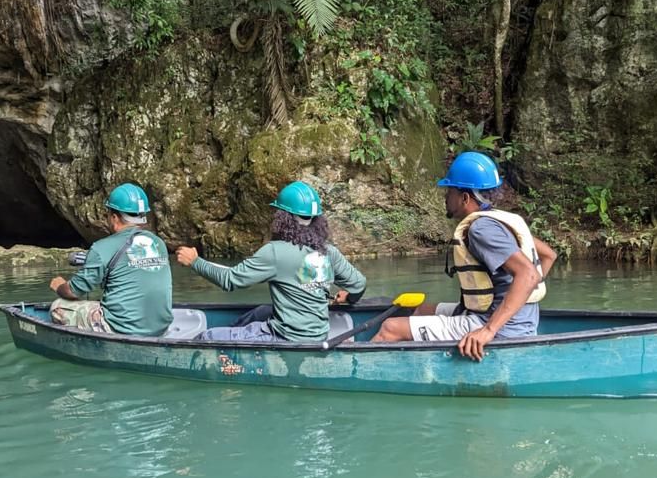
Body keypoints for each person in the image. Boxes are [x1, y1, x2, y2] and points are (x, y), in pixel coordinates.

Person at [372, 151, 556, 360]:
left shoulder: (481, 229)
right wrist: (522, 305)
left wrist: (489, 330)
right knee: (422, 309)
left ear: (464, 197)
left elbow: (529, 275)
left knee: (391, 327)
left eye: (449, 190)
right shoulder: (499, 220)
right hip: (515, 321)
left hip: (498, 327)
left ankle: (363, 374)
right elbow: (549, 255)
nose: (445, 196)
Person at [175, 181, 366, 342]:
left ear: (283, 217)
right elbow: (358, 284)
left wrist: (195, 262)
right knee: (261, 312)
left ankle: (228, 342)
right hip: (319, 335)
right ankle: (235, 335)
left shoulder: (275, 252)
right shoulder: (329, 252)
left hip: (286, 337)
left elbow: (230, 280)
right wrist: (349, 298)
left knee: (207, 338)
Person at [48, 183, 173, 337]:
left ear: (114, 217)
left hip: (122, 328)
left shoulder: (101, 248)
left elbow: (73, 291)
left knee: (57, 307)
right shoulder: (159, 243)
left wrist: (59, 286)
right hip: (160, 327)